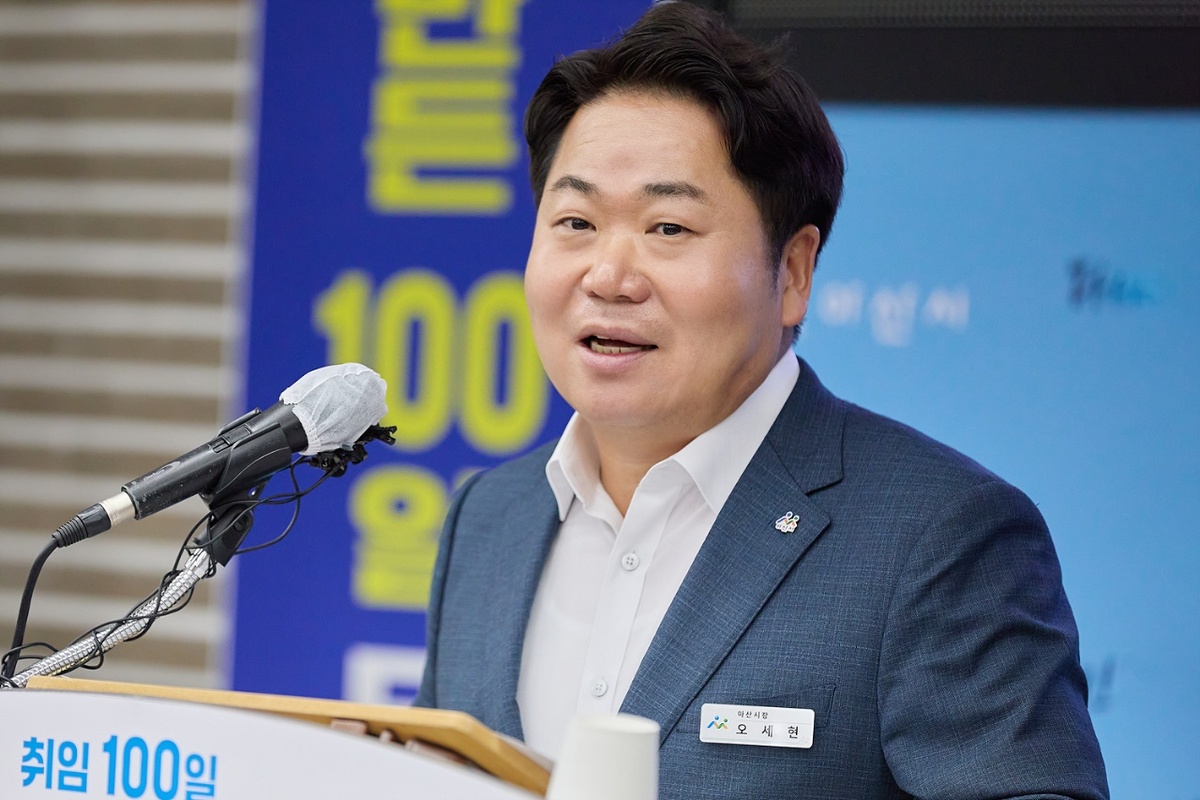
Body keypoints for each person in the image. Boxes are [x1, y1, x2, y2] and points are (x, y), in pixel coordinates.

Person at [414, 3, 1109, 798]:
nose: (608, 276)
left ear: (794, 272)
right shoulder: (489, 517)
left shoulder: (938, 536)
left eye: (668, 228)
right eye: (575, 221)